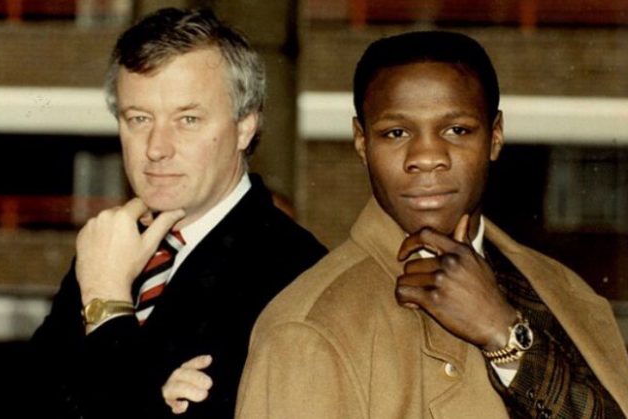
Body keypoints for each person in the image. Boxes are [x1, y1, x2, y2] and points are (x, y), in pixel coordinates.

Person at [233, 31, 628, 418]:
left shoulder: (568, 292)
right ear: (361, 143)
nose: (426, 156)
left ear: (495, 137)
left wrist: (503, 332)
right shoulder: (307, 330)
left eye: (457, 130)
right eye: (396, 133)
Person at [27, 7, 326, 419]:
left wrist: (108, 303)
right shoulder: (112, 243)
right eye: (139, 119)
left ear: (245, 127)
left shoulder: (294, 272)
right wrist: (153, 394)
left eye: (187, 119)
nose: (156, 147)